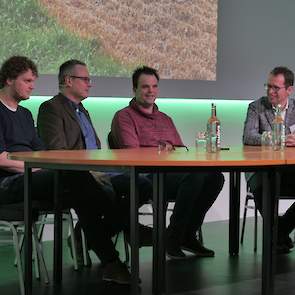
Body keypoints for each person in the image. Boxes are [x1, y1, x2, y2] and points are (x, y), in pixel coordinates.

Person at [0, 56, 132, 285]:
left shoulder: (24, 114)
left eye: (33, 81)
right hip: (7, 183)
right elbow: (1, 159)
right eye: (27, 80)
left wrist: (41, 166)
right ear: (9, 79)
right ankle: (126, 233)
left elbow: (44, 154)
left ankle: (111, 262)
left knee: (85, 194)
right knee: (77, 179)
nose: (32, 86)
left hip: (35, 176)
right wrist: (36, 167)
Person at [37, 60, 152, 276]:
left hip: (100, 170)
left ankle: (86, 234)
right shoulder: (51, 108)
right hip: (77, 173)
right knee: (91, 189)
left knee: (141, 183)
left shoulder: (83, 111)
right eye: (85, 79)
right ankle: (126, 236)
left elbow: (95, 147)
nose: (90, 84)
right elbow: (56, 151)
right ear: (68, 81)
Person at [111, 65, 224, 259]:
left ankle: (187, 235)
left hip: (172, 174)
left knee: (215, 177)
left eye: (154, 86)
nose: (151, 91)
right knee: (194, 177)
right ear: (134, 89)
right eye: (145, 87)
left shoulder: (165, 118)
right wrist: (163, 148)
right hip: (145, 176)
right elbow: (133, 152)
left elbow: (180, 149)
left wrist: (170, 149)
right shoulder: (124, 117)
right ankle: (173, 237)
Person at [243, 66, 295, 254]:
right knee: (264, 184)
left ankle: (279, 231)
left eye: (275, 88)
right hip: (261, 170)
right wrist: (279, 137)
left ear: (289, 90)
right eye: (268, 86)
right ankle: (278, 235)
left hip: (289, 171)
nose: (270, 91)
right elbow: (248, 137)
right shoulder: (257, 107)